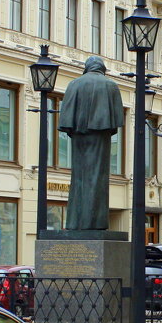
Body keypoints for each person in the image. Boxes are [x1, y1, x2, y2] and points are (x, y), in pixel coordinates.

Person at [58, 55, 124, 230]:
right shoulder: (110, 85)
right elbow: (117, 119)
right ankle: (95, 223)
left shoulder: (74, 84)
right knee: (97, 178)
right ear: (102, 68)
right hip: (100, 135)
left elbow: (65, 117)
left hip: (78, 134)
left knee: (78, 177)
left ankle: (75, 223)